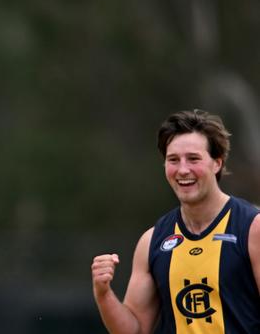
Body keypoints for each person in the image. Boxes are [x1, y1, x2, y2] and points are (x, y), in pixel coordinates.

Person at [91, 109, 260, 333]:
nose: (182, 170)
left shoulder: (252, 229)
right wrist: (103, 294)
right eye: (173, 160)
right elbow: (135, 330)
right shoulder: (152, 241)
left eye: (193, 159)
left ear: (217, 163)